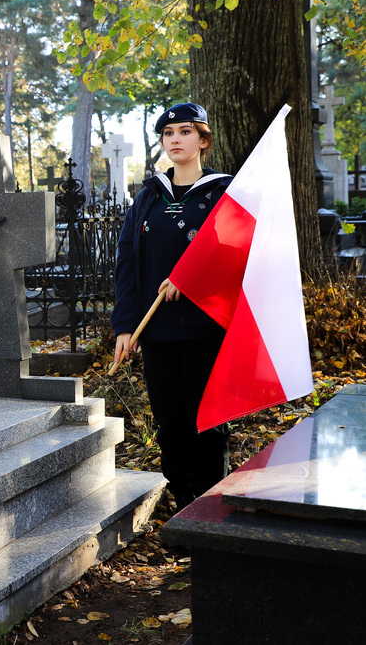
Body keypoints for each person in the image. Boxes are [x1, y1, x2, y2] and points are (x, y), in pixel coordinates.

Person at [110, 102, 234, 510]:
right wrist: (125, 327)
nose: (175, 139)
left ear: (203, 140)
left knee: (207, 423)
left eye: (184, 131)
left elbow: (236, 255)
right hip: (157, 331)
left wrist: (191, 278)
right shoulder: (148, 196)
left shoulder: (224, 194)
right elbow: (127, 261)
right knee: (170, 422)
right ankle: (183, 504)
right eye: (168, 133)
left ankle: (211, 506)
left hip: (205, 328)